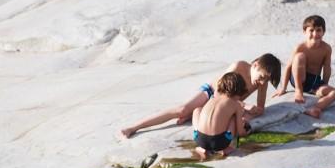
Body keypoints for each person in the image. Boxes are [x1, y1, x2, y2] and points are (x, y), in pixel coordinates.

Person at [120, 53, 281, 138]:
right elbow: (219, 93)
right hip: (212, 94)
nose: (261, 83)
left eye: (265, 80)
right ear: (255, 65)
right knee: (182, 110)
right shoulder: (238, 66)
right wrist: (244, 106)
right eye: (261, 77)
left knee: (237, 120)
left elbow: (260, 108)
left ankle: (192, 116)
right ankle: (133, 128)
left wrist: (254, 111)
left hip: (228, 105)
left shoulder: (263, 83)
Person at [274, 15, 335, 118]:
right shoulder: (300, 47)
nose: (315, 34)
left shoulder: (326, 48)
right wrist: (283, 88)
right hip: (298, 78)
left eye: (319, 30)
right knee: (300, 57)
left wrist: (325, 84)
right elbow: (288, 67)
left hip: (314, 83)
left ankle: (315, 108)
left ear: (324, 32)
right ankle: (299, 90)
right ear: (304, 32)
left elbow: (327, 67)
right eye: (311, 30)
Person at [192, 72, 246, 160]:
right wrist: (245, 131)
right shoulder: (236, 105)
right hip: (219, 142)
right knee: (233, 118)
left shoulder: (213, 98)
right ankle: (225, 149)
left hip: (200, 140)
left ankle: (202, 147)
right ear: (239, 92)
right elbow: (240, 132)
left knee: (197, 110)